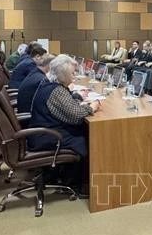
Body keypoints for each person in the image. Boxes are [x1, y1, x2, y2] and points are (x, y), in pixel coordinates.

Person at [28, 54, 101, 195]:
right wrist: (92, 107)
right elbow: (76, 114)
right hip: (47, 137)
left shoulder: (49, 83)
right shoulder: (57, 91)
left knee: (83, 130)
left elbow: (64, 105)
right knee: (87, 137)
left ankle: (66, 175)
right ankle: (79, 184)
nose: (74, 76)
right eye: (72, 73)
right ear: (63, 74)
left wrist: (76, 97)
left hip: (41, 132)